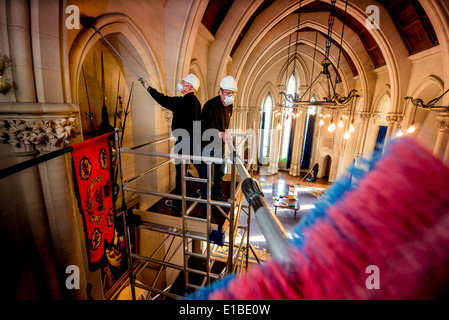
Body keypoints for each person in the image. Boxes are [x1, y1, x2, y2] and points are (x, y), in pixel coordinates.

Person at [140, 74, 201, 209]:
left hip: (182, 142)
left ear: (189, 87)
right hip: (193, 141)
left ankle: (179, 203)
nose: (181, 83)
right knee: (195, 168)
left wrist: (149, 89)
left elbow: (163, 100)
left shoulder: (183, 102)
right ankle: (204, 191)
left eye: (183, 82)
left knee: (180, 173)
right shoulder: (196, 102)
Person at [200, 75, 238, 205]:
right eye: (227, 93)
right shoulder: (209, 106)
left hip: (220, 146)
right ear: (220, 92)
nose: (230, 96)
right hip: (208, 146)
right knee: (208, 178)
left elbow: (226, 122)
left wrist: (225, 132)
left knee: (220, 173)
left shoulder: (229, 105)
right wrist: (221, 133)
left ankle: (218, 196)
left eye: (232, 93)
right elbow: (207, 128)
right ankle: (207, 207)